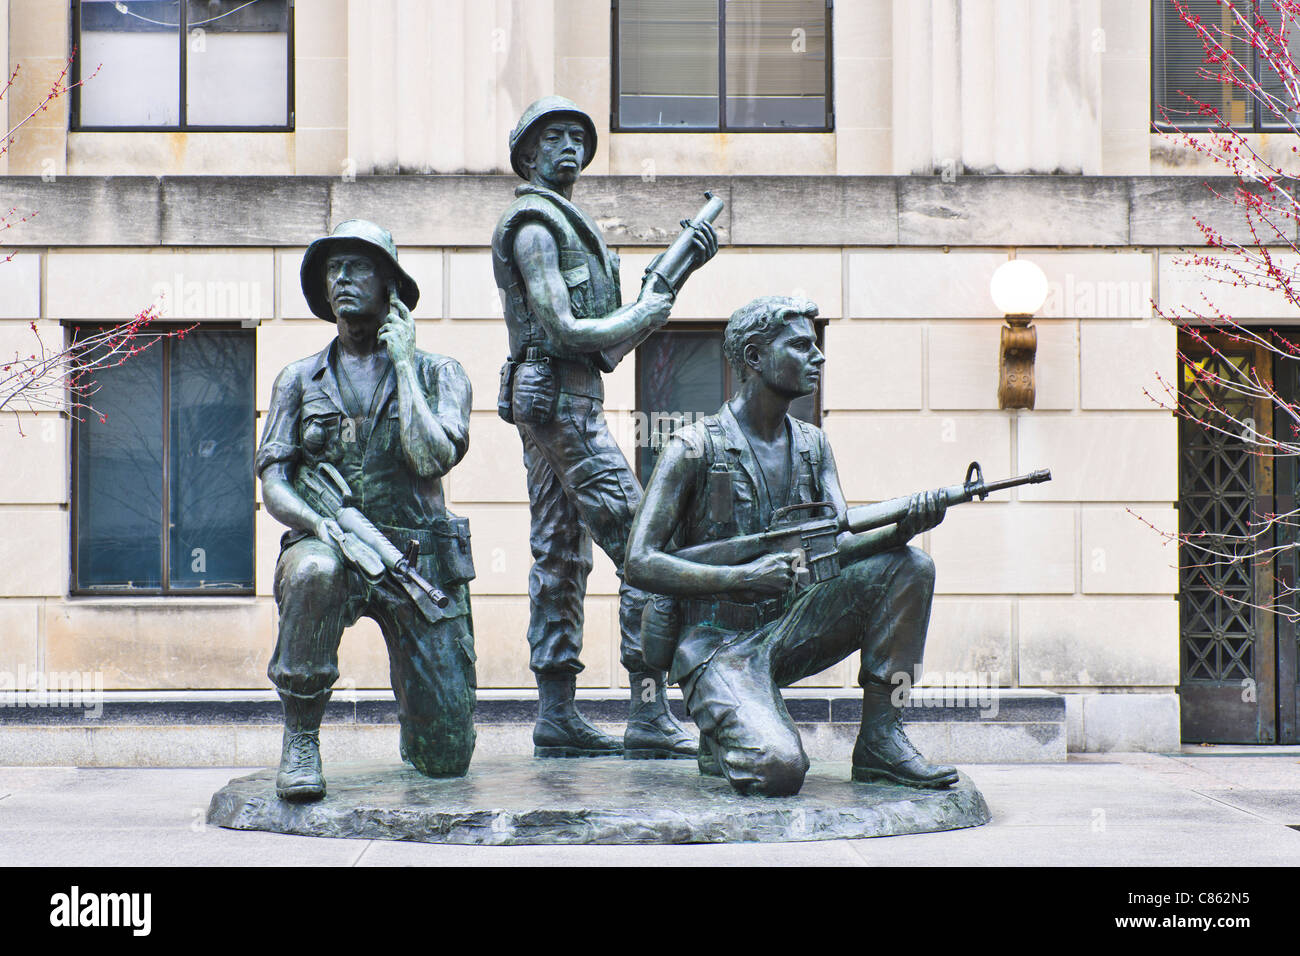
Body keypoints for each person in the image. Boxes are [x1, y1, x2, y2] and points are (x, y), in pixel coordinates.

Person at [625, 295, 961, 796]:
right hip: (719, 644)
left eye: (817, 345)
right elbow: (640, 562)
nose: (818, 357)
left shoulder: (813, 444)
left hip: (795, 622)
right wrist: (736, 579)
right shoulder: (692, 448)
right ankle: (729, 728)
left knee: (910, 566)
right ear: (755, 357)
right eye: (802, 346)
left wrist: (901, 529)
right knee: (778, 770)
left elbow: (839, 540)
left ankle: (881, 741)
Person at [491, 95, 718, 758]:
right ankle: (648, 715)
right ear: (527, 154)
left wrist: (673, 279)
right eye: (552, 136)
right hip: (563, 409)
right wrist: (649, 308)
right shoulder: (535, 228)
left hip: (564, 403)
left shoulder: (572, 229)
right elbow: (566, 330)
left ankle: (556, 716)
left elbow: (608, 351)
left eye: (575, 136)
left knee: (559, 557)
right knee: (647, 547)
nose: (567, 147)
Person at [257, 219, 477, 801]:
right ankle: (300, 740)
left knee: (446, 760)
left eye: (358, 267)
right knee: (312, 571)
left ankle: (428, 721)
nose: (343, 279)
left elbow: (432, 460)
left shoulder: (440, 373)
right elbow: (275, 482)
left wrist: (404, 365)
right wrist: (316, 524)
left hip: (419, 559)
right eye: (334, 269)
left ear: (390, 288)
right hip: (329, 540)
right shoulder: (298, 380)